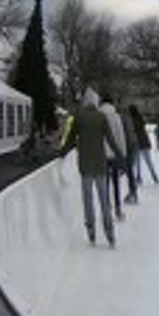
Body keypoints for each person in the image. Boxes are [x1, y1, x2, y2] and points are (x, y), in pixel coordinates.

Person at [60, 90, 123, 247]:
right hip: (100, 165)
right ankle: (109, 232)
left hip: (85, 165)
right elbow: (111, 139)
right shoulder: (101, 118)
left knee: (87, 200)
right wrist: (120, 155)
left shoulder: (79, 118)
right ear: (96, 102)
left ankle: (91, 230)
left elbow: (70, 140)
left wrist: (61, 153)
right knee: (104, 200)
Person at [99, 97, 128, 217]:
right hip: (115, 154)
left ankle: (106, 208)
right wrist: (123, 154)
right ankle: (117, 208)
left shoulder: (98, 116)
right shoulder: (116, 116)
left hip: (101, 154)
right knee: (116, 182)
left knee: (104, 183)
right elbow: (120, 135)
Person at [128, 105, 159, 185]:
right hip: (144, 141)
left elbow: (132, 130)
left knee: (137, 161)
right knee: (148, 161)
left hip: (137, 141)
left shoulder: (132, 120)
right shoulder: (140, 118)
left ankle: (138, 177)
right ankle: (154, 176)